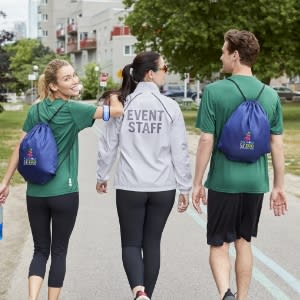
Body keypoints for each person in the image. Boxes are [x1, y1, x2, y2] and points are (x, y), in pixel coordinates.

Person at [0, 59, 123, 300]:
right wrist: (115, 95)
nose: (75, 80)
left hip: (35, 193)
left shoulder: (35, 109)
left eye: (74, 75)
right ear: (54, 86)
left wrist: (5, 181)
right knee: (58, 252)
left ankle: (31, 298)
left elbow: (20, 147)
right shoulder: (76, 110)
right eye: (67, 78)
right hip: (64, 192)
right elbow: (116, 112)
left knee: (39, 250)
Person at [192, 29, 287, 300]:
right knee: (244, 242)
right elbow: (276, 144)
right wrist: (279, 186)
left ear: (235, 55)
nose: (220, 56)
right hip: (255, 182)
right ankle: (242, 298)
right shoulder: (270, 95)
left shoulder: (214, 92)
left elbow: (206, 140)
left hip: (224, 182)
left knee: (219, 244)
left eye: (223, 51)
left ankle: (226, 295)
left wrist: (197, 182)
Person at [96, 51, 192, 300]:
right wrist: (185, 187)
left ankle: (139, 293)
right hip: (163, 187)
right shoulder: (170, 107)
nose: (165, 72)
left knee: (130, 243)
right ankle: (146, 295)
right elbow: (179, 149)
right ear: (151, 73)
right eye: (164, 68)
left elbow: (108, 143)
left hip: (130, 187)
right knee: (152, 243)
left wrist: (102, 174)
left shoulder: (122, 104)